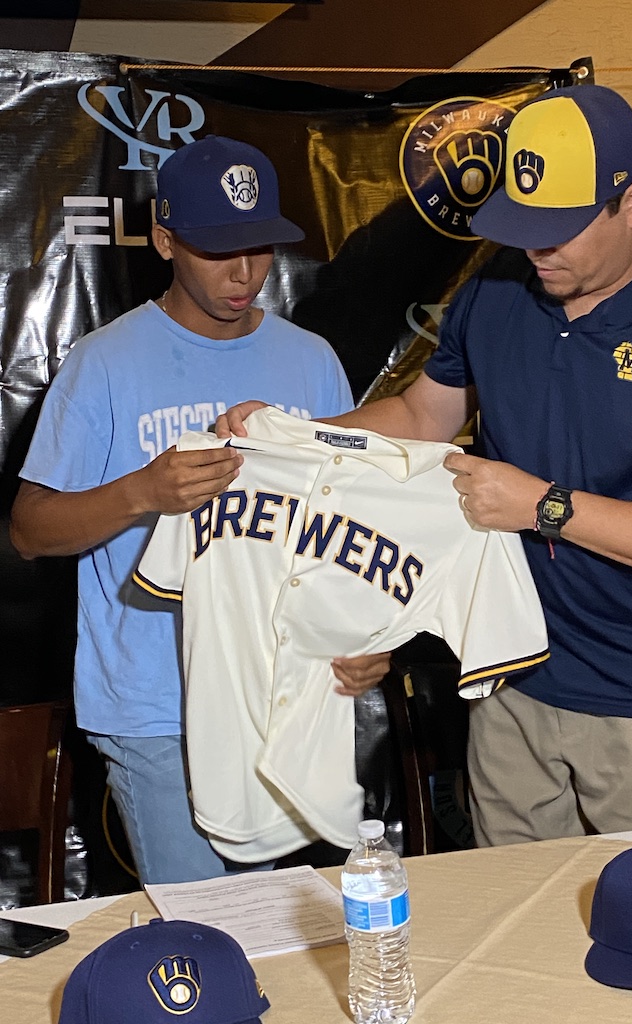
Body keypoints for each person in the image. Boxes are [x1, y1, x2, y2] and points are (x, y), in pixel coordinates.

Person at [218, 85, 632, 845]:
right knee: (504, 906)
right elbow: (422, 417)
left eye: (559, 230)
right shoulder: (499, 288)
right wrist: (290, 437)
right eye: (522, 226)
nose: (537, 251)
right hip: (508, 665)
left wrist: (545, 507)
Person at [10, 135, 389, 884]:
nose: (244, 272)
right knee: (206, 923)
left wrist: (368, 634)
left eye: (260, 247)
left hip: (282, 698)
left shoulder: (311, 361)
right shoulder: (105, 363)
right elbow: (29, 530)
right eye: (219, 249)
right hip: (158, 704)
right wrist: (142, 493)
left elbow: (351, 526)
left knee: (275, 921)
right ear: (165, 241)